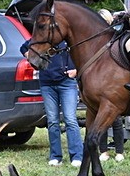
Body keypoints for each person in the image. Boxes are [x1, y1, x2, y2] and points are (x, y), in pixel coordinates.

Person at [20, 39, 84, 167]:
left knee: (70, 119)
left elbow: (84, 54)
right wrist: (29, 56)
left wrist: (77, 70)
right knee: (52, 121)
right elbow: (24, 47)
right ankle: (55, 156)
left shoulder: (67, 38)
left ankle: (77, 156)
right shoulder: (41, 38)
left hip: (67, 83)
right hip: (47, 84)